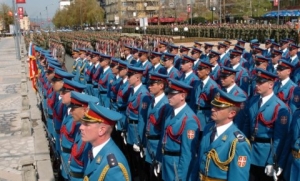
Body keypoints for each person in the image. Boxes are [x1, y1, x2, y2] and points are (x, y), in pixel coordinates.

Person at [192, 90, 251, 181]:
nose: (212, 109)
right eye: (213, 106)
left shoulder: (238, 142)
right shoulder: (208, 129)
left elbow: (238, 177)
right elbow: (200, 161)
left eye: (218, 108)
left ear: (231, 114)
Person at [243, 68, 290, 181]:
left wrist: (272, 161)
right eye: (256, 82)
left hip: (266, 154)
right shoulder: (253, 100)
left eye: (260, 83)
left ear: (270, 84)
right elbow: (246, 126)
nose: (256, 85)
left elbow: (280, 138)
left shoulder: (279, 107)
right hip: (249, 151)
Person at [156, 78, 201, 181]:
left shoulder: (189, 120)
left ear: (182, 96)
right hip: (167, 162)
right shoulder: (169, 112)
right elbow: (164, 137)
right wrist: (160, 159)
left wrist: (180, 176)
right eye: (168, 93)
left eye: (172, 94)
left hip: (176, 166)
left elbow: (187, 153)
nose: (168, 97)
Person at [81, 102, 131, 181]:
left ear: (101, 130)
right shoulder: (95, 152)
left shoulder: (113, 167)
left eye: (86, 124)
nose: (81, 127)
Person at [65, 91, 99, 181]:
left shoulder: (89, 138)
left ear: (84, 110)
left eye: (74, 109)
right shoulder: (80, 128)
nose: (71, 111)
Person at [144, 73, 169, 181]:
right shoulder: (153, 101)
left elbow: (165, 132)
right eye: (149, 84)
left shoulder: (165, 105)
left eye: (152, 84)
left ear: (161, 86)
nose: (149, 86)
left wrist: (160, 157)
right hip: (150, 143)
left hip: (157, 145)